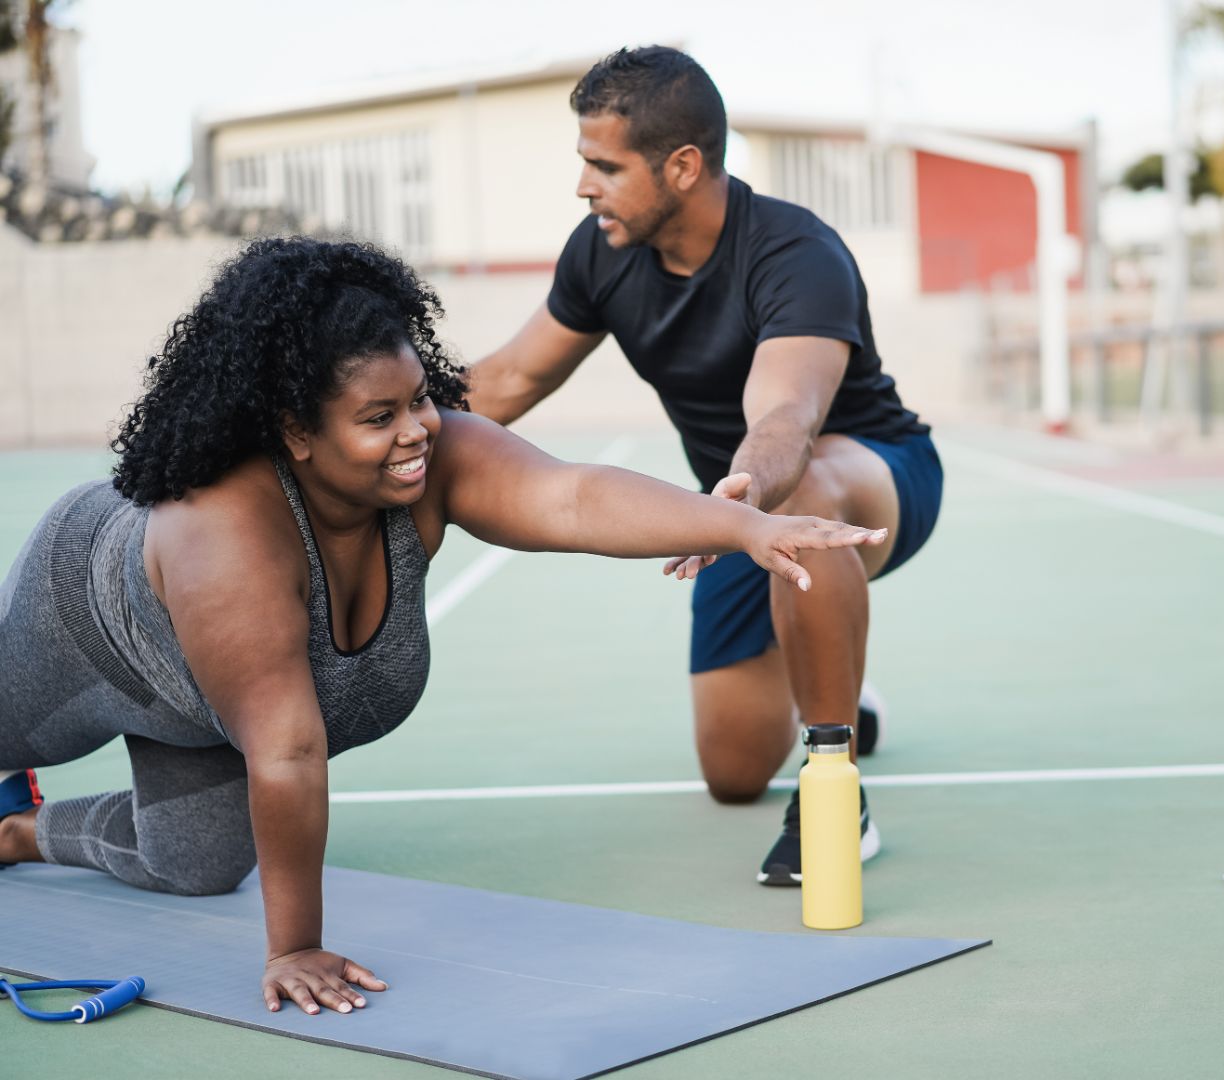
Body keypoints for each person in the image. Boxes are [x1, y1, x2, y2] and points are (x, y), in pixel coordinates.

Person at [0, 236, 886, 1016]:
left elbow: (572, 498)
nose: (417, 430)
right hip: (84, 625)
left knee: (196, 866)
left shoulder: (435, 459)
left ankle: (17, 830)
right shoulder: (225, 535)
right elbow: (288, 753)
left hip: (203, 703)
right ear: (295, 432)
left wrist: (744, 527)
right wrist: (294, 947)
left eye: (419, 399)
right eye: (378, 418)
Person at [467, 46, 942, 886]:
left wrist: (739, 504)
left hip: (869, 478)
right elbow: (506, 381)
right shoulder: (601, 251)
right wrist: (371, 431)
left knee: (806, 490)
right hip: (735, 503)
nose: (583, 187)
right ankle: (836, 679)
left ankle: (833, 787)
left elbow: (786, 417)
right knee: (732, 773)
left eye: (605, 167)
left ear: (683, 166)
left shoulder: (796, 252)